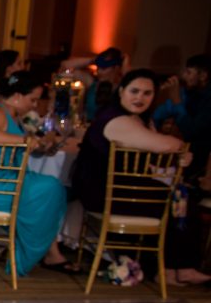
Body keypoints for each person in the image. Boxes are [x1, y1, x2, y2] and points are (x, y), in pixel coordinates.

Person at [72, 68, 210, 286]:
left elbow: (158, 151)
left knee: (179, 198)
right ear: (121, 91)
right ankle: (177, 268)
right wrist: (181, 148)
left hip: (118, 187)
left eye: (147, 93)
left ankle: (171, 269)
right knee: (179, 201)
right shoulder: (116, 119)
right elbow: (164, 144)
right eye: (134, 91)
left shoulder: (136, 119)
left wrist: (180, 153)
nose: (140, 98)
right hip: (102, 191)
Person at [0, 71, 76, 276]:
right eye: (32, 99)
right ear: (17, 96)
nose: (35, 105)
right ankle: (29, 256)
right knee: (49, 189)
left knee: (52, 188)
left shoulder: (9, 114)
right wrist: (26, 141)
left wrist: (40, 146)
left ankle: (48, 252)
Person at [154, 54, 210, 181]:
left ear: (203, 76)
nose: (184, 76)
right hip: (175, 157)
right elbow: (156, 117)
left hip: (198, 162)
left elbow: (193, 132)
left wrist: (177, 102)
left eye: (189, 72)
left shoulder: (207, 100)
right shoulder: (187, 92)